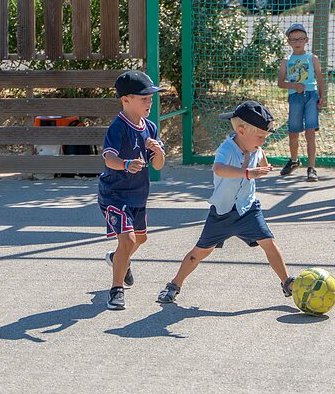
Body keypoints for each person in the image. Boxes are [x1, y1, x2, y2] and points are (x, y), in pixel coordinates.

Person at [156, 101, 294, 305]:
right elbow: (219, 169)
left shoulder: (255, 147)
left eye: (265, 138)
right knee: (199, 253)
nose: (263, 142)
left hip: (248, 209)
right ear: (241, 130)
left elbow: (261, 159)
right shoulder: (226, 149)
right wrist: (247, 173)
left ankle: (287, 282)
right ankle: (174, 285)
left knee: (269, 243)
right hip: (222, 213)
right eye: (261, 137)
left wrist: (264, 166)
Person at [98, 70, 166, 310]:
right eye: (144, 98)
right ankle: (116, 290)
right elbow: (109, 159)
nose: (150, 102)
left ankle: (119, 260)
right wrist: (126, 164)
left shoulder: (150, 127)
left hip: (138, 195)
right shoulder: (118, 127)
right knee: (127, 240)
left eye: (151, 97)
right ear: (126, 100)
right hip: (114, 194)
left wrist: (158, 151)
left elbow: (157, 165)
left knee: (140, 238)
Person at [276, 23, 326, 182]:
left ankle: (311, 168)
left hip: (311, 96)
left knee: (310, 133)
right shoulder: (286, 60)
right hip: (295, 97)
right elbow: (280, 83)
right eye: (293, 39)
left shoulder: (313, 58)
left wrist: (322, 96)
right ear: (288, 42)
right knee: (293, 134)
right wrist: (293, 86)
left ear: (306, 40)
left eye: (300, 39)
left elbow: (319, 77)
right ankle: (294, 160)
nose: (297, 42)